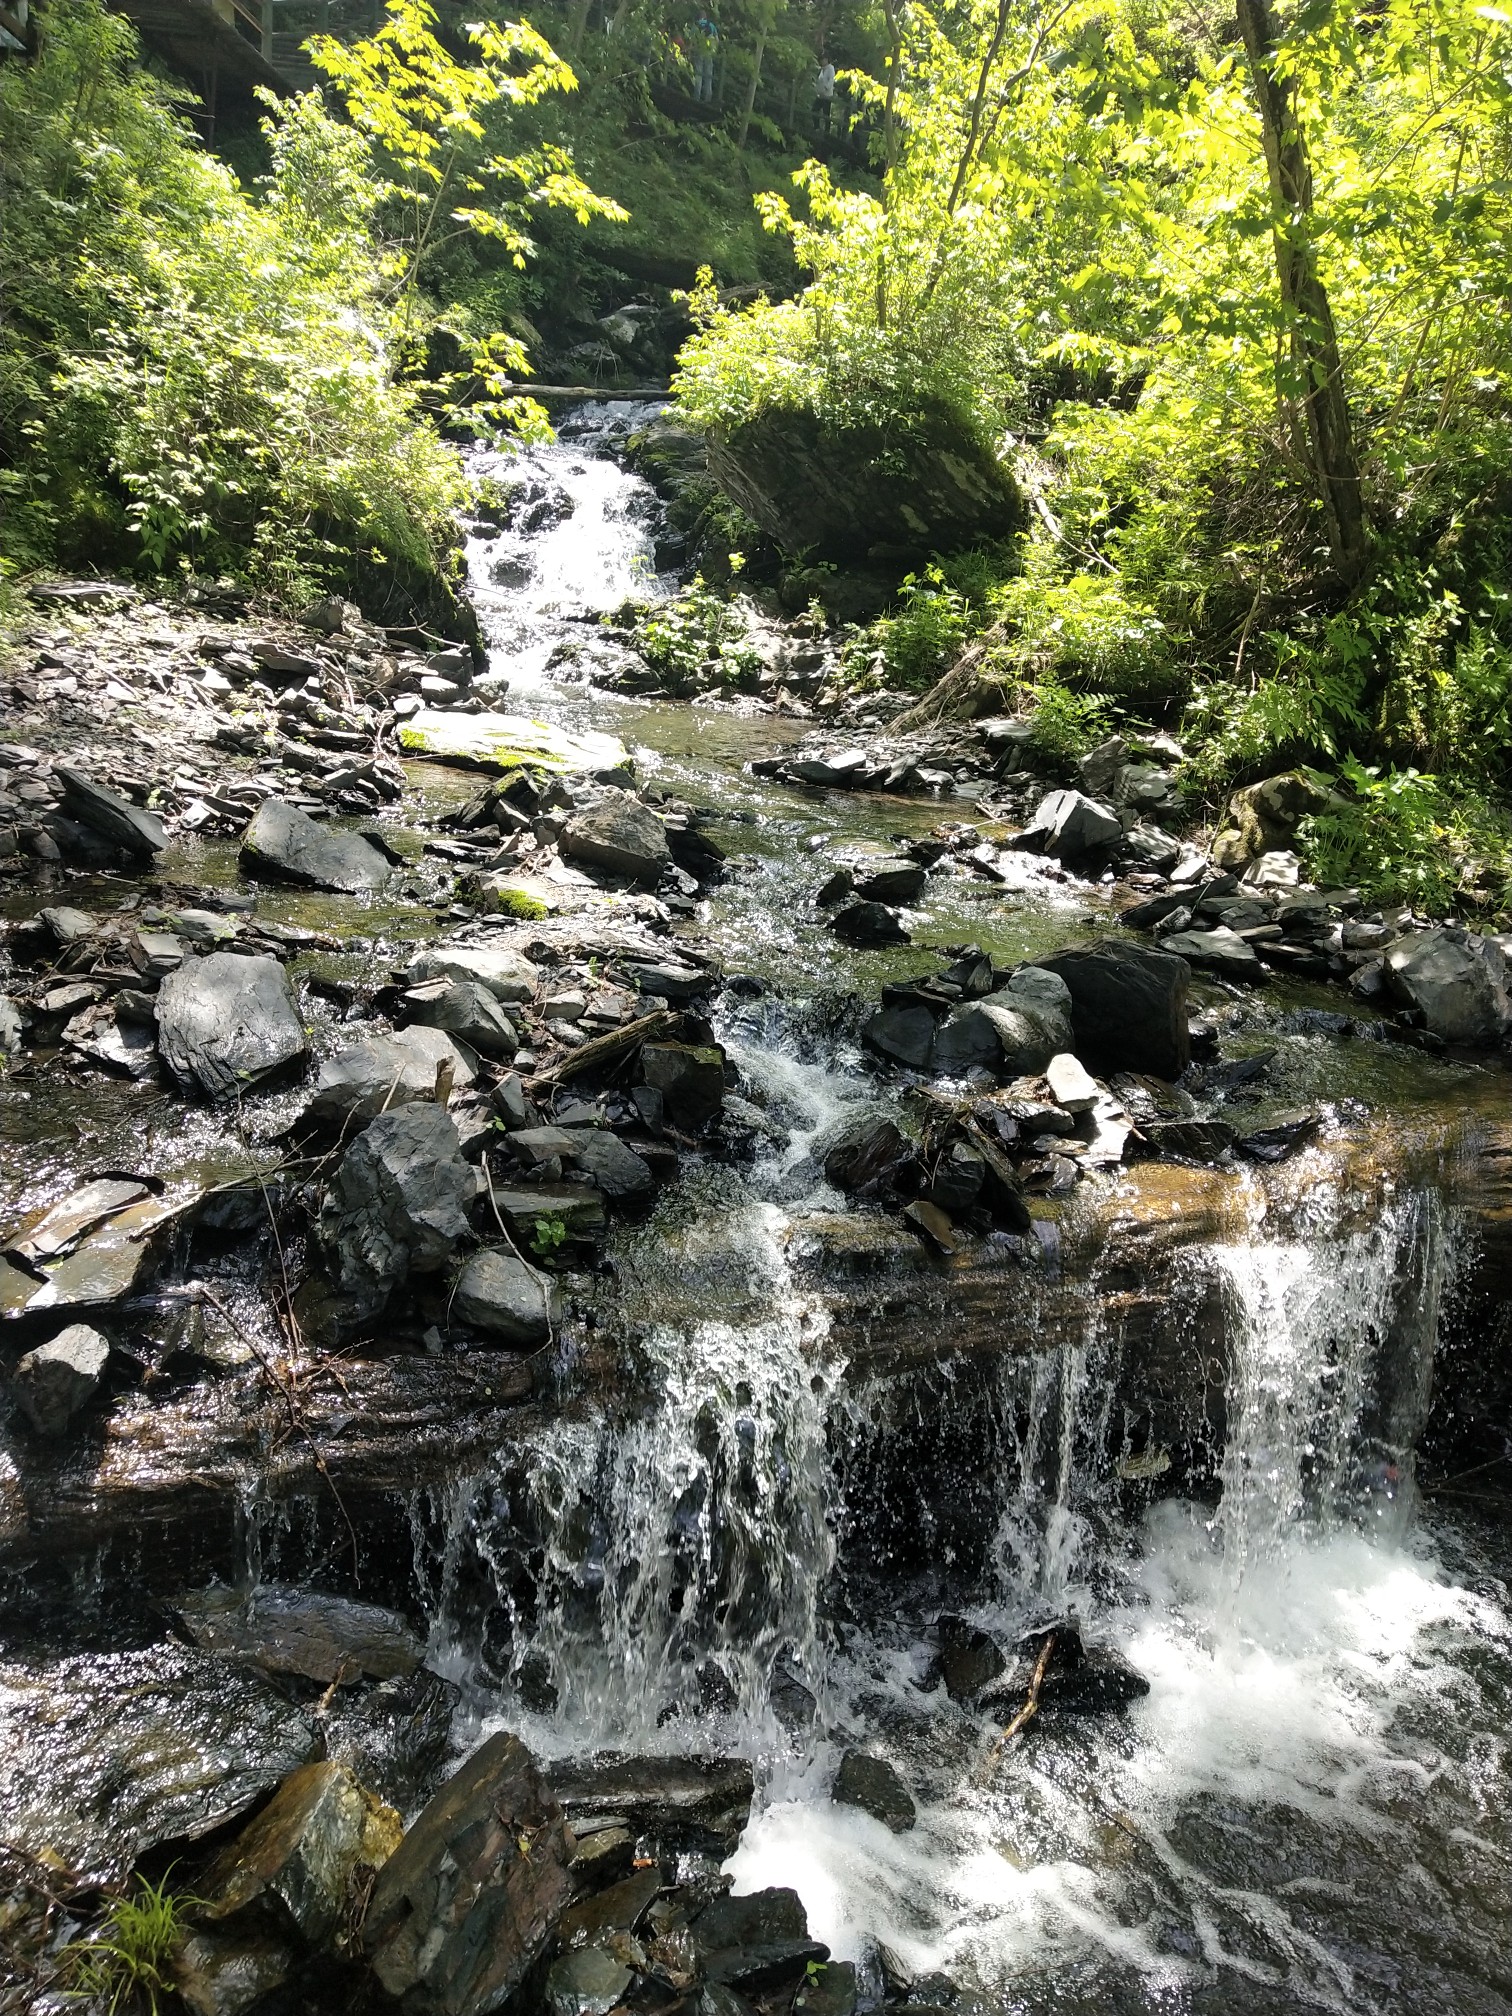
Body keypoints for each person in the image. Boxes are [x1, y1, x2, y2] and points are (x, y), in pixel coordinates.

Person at [693, 16, 719, 103]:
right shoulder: (711, 25)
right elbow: (717, 41)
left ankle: (696, 97)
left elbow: (691, 40)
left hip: (699, 51)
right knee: (708, 76)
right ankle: (707, 98)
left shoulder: (695, 26)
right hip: (709, 52)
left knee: (698, 74)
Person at [814, 56, 836, 133]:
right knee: (814, 109)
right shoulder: (822, 69)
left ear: (826, 60)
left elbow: (831, 80)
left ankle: (827, 131)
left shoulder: (830, 68)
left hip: (827, 95)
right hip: (820, 95)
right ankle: (816, 128)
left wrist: (826, 88)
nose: (822, 61)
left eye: (823, 60)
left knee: (826, 113)